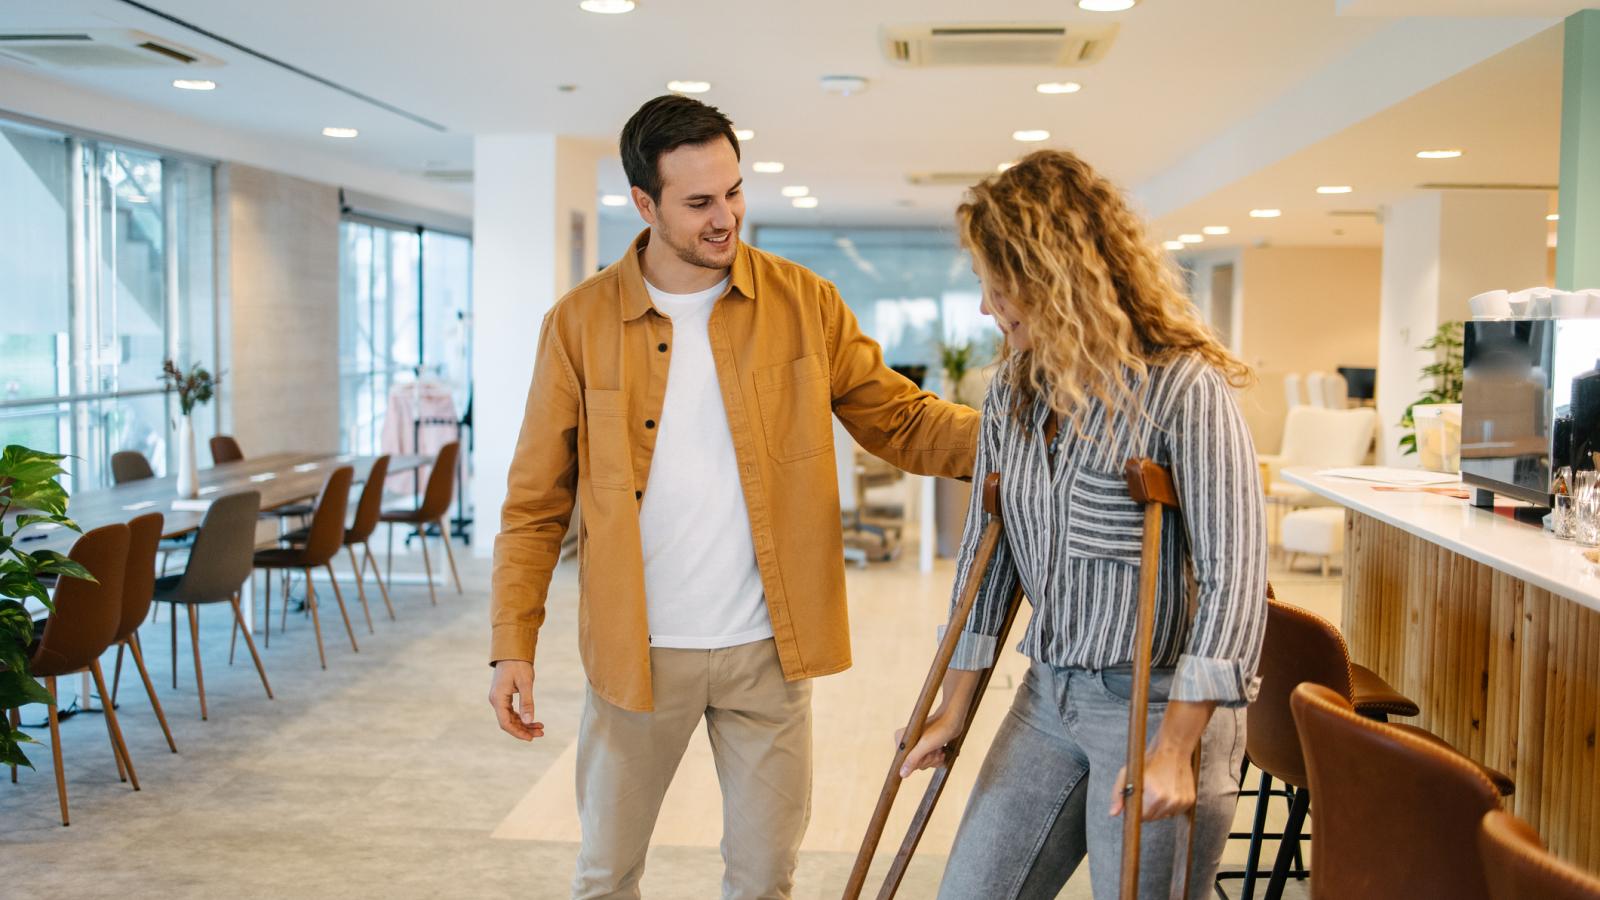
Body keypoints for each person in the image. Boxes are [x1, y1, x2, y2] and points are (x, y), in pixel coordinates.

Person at [487, 94, 979, 900]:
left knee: (764, 880)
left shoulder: (803, 302)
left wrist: (1027, 434)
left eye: (735, 192)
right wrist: (514, 641)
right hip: (635, 654)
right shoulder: (576, 324)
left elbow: (899, 419)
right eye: (699, 202)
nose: (727, 217)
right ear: (645, 204)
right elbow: (535, 501)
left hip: (768, 652)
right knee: (606, 874)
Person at [898, 149, 1268, 900]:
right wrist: (955, 705)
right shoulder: (1012, 392)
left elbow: (1237, 579)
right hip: (1049, 695)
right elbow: (987, 557)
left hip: (1162, 700)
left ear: (1053, 277)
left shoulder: (1183, 389)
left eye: (997, 286)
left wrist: (1177, 745)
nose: (985, 308)